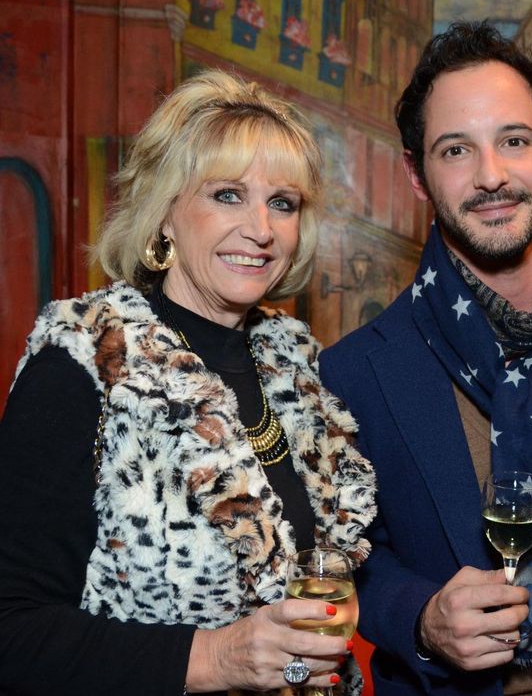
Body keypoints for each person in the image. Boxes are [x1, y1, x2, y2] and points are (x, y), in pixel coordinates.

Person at [0, 70, 376, 694]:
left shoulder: (299, 369)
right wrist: (215, 659)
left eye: (282, 202)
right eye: (228, 194)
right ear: (166, 212)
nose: (262, 228)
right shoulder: (88, 363)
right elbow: (11, 633)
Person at [318, 22, 532, 695]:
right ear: (417, 174)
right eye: (456, 150)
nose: (492, 176)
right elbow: (344, 557)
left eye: (514, 140)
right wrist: (419, 616)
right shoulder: (356, 371)